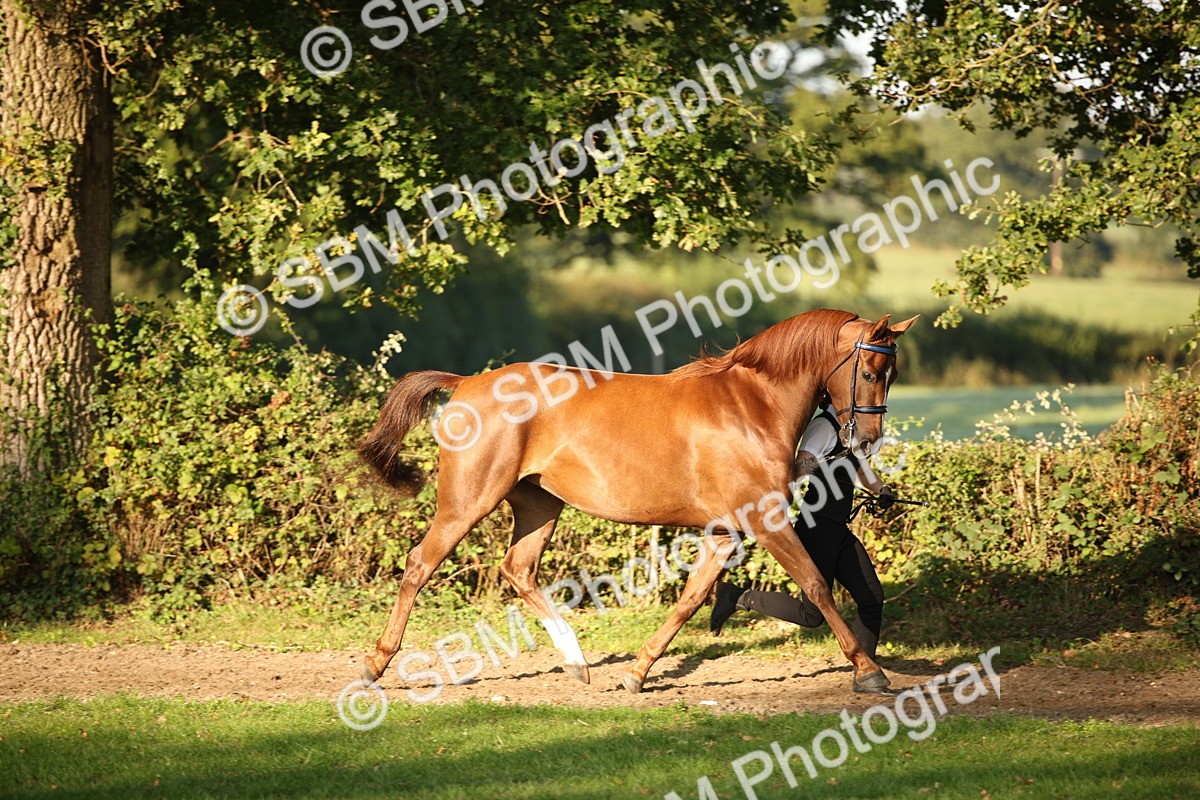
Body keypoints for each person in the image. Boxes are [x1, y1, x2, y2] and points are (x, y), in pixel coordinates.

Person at [709, 399, 897, 695]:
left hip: (838, 529)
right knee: (812, 616)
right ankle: (738, 597)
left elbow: (859, 468)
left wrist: (882, 490)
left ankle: (866, 672)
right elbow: (795, 471)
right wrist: (813, 464)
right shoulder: (823, 426)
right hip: (816, 528)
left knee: (872, 597)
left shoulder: (850, 431)